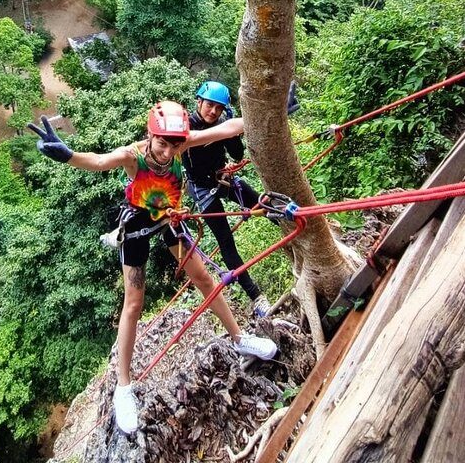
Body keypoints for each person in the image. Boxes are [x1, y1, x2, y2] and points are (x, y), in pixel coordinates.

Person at [28, 101, 278, 435]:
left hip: (168, 222)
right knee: (133, 304)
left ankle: (238, 338)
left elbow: (228, 128)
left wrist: (271, 110)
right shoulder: (135, 156)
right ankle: (123, 387)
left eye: (174, 144)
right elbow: (100, 161)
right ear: (151, 135)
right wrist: (68, 155)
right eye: (162, 143)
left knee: (204, 278)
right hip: (136, 229)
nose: (168, 151)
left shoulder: (179, 145)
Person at [182, 81, 299, 317]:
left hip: (223, 179)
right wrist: (229, 128)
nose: (213, 112)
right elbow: (195, 139)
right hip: (203, 191)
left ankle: (301, 240)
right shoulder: (187, 126)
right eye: (209, 106)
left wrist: (231, 128)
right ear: (199, 102)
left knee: (263, 205)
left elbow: (236, 153)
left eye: (218, 108)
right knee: (226, 242)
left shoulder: (223, 123)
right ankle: (256, 297)